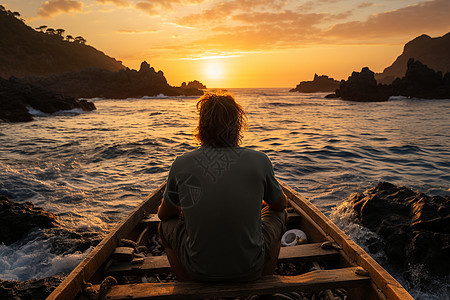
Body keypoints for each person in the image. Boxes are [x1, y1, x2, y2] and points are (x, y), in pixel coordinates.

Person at [158, 91, 287, 282]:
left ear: (202, 127)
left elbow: (164, 215)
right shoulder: (260, 160)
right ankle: (262, 281)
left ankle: (187, 284)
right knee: (280, 216)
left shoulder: (181, 163)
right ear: (237, 126)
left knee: (164, 227)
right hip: (249, 269)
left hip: (198, 270)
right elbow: (280, 205)